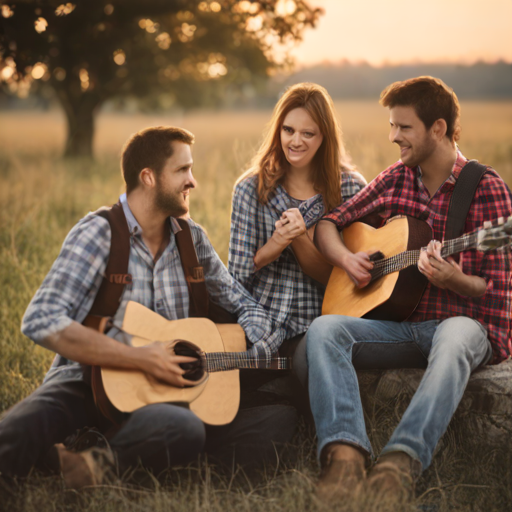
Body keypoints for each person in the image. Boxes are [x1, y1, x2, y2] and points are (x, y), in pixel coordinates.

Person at [0, 127, 296, 489]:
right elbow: (41, 319)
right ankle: (129, 456)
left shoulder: (192, 239)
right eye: (183, 170)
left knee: (273, 419)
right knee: (21, 429)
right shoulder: (98, 233)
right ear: (148, 177)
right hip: (87, 384)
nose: (194, 181)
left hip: (165, 401)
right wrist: (140, 359)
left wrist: (257, 345)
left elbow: (242, 302)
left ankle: (95, 459)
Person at [308, 77, 512, 502]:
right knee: (324, 330)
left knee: (456, 335)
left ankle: (399, 464)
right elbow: (330, 222)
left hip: (462, 326)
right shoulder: (396, 179)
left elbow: (494, 296)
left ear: (437, 128)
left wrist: (453, 279)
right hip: (402, 327)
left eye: (403, 127)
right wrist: (347, 260)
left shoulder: (486, 188)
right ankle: (344, 456)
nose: (392, 137)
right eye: (392, 126)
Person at [228, 82, 366, 383]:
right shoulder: (250, 189)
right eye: (288, 130)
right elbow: (237, 276)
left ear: (324, 137)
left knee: (312, 369)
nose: (295, 141)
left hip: (317, 323)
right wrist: (276, 244)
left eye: (308, 133)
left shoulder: (351, 189)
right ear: (278, 131)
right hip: (261, 320)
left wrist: (304, 238)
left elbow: (350, 279)